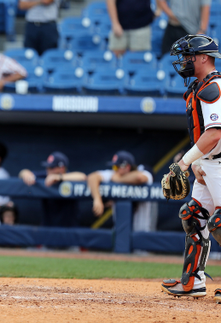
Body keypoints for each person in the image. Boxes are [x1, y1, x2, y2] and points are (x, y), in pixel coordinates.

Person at [159, 34, 221, 302]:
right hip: (208, 164)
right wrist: (196, 161)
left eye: (187, 57)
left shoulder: (214, 87)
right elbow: (203, 137)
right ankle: (193, 281)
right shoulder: (199, 87)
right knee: (193, 215)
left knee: (219, 223)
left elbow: (215, 133)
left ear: (203, 58)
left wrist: (183, 163)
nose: (183, 62)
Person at [87, 151, 155, 231]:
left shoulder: (143, 173)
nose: (114, 170)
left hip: (143, 231)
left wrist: (118, 179)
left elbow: (139, 178)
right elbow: (92, 177)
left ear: (127, 167)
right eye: (114, 167)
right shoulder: (114, 174)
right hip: (120, 231)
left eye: (116, 167)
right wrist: (97, 199)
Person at [19, 151, 87, 227]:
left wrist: (59, 177)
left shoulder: (70, 176)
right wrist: (26, 174)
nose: (48, 170)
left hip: (68, 228)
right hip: (48, 226)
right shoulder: (46, 175)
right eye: (47, 167)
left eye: (51, 167)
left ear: (61, 168)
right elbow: (24, 172)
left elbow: (83, 176)